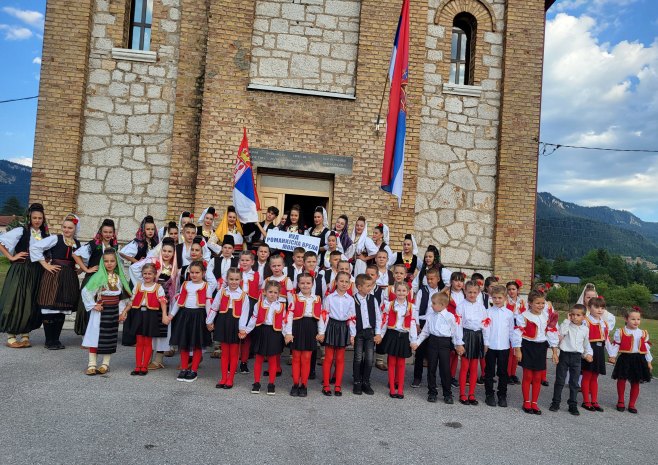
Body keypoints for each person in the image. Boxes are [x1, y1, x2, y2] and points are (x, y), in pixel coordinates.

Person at [0, 203, 49, 348]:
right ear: (30, 217)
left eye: (40, 218)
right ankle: (11, 336)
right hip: (21, 269)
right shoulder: (21, 230)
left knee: (31, 301)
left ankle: (26, 334)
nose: (37, 220)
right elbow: (1, 242)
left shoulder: (45, 234)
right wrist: (11, 257)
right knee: (17, 300)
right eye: (34, 217)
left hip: (36, 271)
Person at [30, 213, 81, 350]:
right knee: (50, 307)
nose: (66, 230)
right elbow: (35, 247)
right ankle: (49, 340)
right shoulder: (55, 239)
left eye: (70, 228)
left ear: (75, 229)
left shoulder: (77, 243)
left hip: (68, 278)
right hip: (54, 275)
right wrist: (46, 265)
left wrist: (81, 270)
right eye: (64, 227)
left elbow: (83, 260)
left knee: (61, 309)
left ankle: (56, 339)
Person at [129, 237, 179, 369]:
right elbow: (134, 268)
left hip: (165, 299)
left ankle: (158, 360)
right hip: (151, 296)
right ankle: (146, 359)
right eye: (164, 251)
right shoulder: (153, 261)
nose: (166, 253)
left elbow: (175, 287)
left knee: (162, 329)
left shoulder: (174, 268)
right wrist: (145, 285)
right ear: (160, 251)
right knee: (149, 328)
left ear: (173, 253)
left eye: (169, 251)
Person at [80, 248, 132, 375]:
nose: (109, 263)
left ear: (116, 263)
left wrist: (121, 312)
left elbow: (121, 298)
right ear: (102, 262)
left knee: (109, 337)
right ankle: (91, 364)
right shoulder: (98, 277)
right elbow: (86, 291)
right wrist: (93, 305)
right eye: (106, 261)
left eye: (112, 261)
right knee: (96, 336)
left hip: (113, 311)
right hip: (100, 310)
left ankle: (105, 364)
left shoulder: (119, 278)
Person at [167, 260, 216, 383]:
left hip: (199, 317)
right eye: (192, 272)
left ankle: (193, 370)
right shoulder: (185, 285)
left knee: (197, 344)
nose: (194, 275)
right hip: (185, 316)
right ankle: (184, 368)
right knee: (183, 344)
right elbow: (179, 302)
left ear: (203, 273)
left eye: (197, 272)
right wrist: (171, 315)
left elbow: (208, 305)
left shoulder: (206, 286)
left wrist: (209, 321)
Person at [412, 292, 464, 404]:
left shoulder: (450, 317)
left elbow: (455, 333)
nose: (431, 305)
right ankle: (432, 392)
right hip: (432, 343)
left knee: (445, 369)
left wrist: (458, 345)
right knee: (431, 368)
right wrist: (417, 342)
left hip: (445, 344)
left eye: (434, 303)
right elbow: (425, 332)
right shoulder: (430, 316)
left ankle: (447, 393)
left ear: (443, 305)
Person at [73, 218, 119, 336]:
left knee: (101, 307)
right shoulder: (94, 244)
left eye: (110, 232)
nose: (108, 234)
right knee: (89, 305)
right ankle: (85, 335)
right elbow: (76, 254)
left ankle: (97, 334)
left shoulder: (114, 246)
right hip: (92, 278)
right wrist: (86, 269)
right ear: (101, 232)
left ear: (113, 233)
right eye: (105, 232)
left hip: (106, 281)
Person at [516, 290, 559, 414]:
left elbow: (551, 333)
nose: (540, 306)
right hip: (528, 346)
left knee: (537, 377)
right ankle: (526, 402)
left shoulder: (546, 316)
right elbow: (517, 334)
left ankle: (534, 402)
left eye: (542, 303)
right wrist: (518, 350)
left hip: (541, 347)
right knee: (528, 375)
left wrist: (555, 352)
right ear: (530, 303)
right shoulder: (523, 316)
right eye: (537, 303)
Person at [207, 267, 250, 389]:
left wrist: (242, 328)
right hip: (223, 322)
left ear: (240, 280)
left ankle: (230, 379)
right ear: (227, 279)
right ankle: (223, 377)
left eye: (236, 279)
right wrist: (209, 321)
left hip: (235, 324)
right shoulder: (222, 292)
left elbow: (244, 313)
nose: (233, 282)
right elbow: (214, 307)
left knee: (234, 352)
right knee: (225, 352)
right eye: (231, 279)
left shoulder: (243, 296)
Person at [239, 280, 285, 395]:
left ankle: (271, 384)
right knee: (258, 358)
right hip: (261, 331)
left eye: (275, 292)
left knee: (272, 359)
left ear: (279, 294)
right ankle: (256, 383)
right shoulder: (259, 304)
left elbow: (284, 322)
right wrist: (246, 330)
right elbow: (254, 319)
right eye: (270, 292)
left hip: (275, 333)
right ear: (264, 292)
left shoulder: (281, 306)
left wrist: (287, 335)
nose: (272, 294)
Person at [121, 263, 167, 375]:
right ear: (142, 274)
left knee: (148, 341)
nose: (147, 276)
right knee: (139, 341)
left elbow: (162, 302)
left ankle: (144, 366)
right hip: (138, 315)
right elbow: (131, 302)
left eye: (150, 273)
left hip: (151, 316)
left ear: (155, 275)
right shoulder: (138, 286)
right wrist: (124, 311)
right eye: (145, 273)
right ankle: (138, 366)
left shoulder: (158, 287)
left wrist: (165, 315)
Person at [549, 304, 593, 415]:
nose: (574, 317)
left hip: (577, 357)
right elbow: (561, 332)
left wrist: (588, 354)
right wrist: (566, 321)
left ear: (584, 316)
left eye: (578, 315)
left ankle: (572, 404)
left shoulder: (585, 329)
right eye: (572, 314)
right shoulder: (567, 325)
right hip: (564, 355)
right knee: (560, 380)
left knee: (574, 382)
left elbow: (586, 344)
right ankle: (555, 402)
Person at [483, 285, 521, 408]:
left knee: (503, 372)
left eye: (500, 297)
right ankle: (489, 394)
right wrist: (486, 343)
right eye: (494, 298)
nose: (497, 300)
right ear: (491, 298)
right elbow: (485, 329)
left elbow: (511, 331)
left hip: (504, 347)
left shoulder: (509, 314)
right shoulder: (487, 312)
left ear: (505, 298)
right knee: (489, 372)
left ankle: (502, 395)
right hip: (490, 347)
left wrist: (515, 346)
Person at [318, 271, 356, 396]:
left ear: (350, 284)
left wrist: (352, 334)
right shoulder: (329, 298)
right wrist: (322, 332)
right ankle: (326, 385)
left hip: (343, 327)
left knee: (340, 358)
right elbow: (324, 315)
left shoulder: (350, 300)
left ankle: (338, 385)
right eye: (341, 281)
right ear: (336, 282)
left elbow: (352, 318)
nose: (344, 284)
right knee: (328, 358)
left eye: (347, 282)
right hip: (331, 326)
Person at [284, 273, 322, 397]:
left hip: (311, 328)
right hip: (297, 327)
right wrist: (288, 332)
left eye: (308, 283)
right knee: (296, 358)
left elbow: (320, 316)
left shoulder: (317, 299)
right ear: (298, 284)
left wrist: (321, 332)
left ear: (312, 284)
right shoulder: (294, 298)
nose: (305, 285)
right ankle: (295, 384)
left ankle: (304, 385)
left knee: (306, 358)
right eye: (302, 283)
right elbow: (289, 315)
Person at [609, 307, 653, 414]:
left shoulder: (643, 333)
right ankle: (620, 401)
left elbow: (646, 349)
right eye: (633, 319)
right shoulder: (621, 332)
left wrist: (649, 362)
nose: (636, 321)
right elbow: (616, 345)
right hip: (625, 358)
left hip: (639, 359)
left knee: (635, 381)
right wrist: (612, 356)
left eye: (638, 319)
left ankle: (632, 404)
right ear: (626, 319)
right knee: (622, 380)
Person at [380, 282, 417, 399]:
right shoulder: (389, 305)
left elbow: (412, 324)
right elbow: (385, 321)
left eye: (404, 291)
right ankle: (392, 388)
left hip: (404, 336)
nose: (401, 293)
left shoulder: (412, 307)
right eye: (399, 290)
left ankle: (400, 389)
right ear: (395, 292)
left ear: (407, 292)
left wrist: (413, 340)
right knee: (391, 363)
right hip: (392, 335)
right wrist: (380, 335)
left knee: (401, 364)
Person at [412, 268, 444, 388]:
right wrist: (416, 323)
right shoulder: (422, 291)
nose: (430, 281)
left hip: (437, 322)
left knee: (433, 354)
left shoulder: (442, 291)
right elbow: (416, 307)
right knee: (420, 352)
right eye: (428, 279)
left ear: (438, 279)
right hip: (423, 321)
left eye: (432, 279)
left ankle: (433, 379)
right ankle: (417, 377)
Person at [456, 280, 487, 405]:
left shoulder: (481, 307)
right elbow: (457, 325)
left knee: (474, 367)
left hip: (478, 336)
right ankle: (462, 393)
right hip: (466, 336)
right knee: (464, 367)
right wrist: (459, 342)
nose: (472, 295)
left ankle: (472, 394)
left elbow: (485, 325)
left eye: (475, 292)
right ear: (465, 291)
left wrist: (486, 343)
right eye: (469, 292)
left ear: (479, 292)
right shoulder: (461, 306)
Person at [352, 274, 382, 396]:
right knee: (358, 358)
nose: (370, 288)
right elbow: (352, 319)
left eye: (371, 285)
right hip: (358, 333)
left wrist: (378, 333)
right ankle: (357, 381)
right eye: (368, 286)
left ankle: (366, 381)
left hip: (370, 333)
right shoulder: (353, 300)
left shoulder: (373, 299)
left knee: (369, 359)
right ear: (359, 287)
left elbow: (378, 317)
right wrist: (352, 334)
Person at [581, 296, 612, 412]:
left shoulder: (603, 323)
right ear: (589, 307)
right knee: (587, 375)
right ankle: (586, 401)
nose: (600, 310)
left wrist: (611, 354)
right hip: (589, 349)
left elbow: (606, 339)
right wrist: (585, 353)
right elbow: (583, 339)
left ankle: (594, 400)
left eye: (602, 307)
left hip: (599, 350)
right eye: (596, 307)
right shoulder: (586, 321)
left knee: (595, 376)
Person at [237, 250, 261, 374]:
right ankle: (233, 362)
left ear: (252, 262)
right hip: (237, 303)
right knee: (234, 334)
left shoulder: (256, 275)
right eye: (242, 260)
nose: (244, 262)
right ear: (239, 261)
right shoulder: (236, 273)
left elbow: (260, 290)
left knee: (246, 335)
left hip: (251, 304)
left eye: (247, 260)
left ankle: (244, 362)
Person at [505, 279, 526, 384]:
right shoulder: (506, 301)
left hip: (518, 327)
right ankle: (507, 374)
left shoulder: (521, 301)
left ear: (518, 290)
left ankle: (513, 373)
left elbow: (524, 313)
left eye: (513, 289)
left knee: (516, 352)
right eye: (509, 289)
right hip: (509, 326)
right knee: (509, 352)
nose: (511, 291)